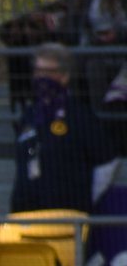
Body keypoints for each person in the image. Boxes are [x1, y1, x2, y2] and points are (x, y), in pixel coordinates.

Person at [10, 44, 117, 214]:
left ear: (64, 76)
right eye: (38, 71)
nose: (41, 77)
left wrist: (85, 198)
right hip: (25, 213)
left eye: (48, 72)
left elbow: (107, 160)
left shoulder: (80, 115)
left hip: (66, 216)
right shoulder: (29, 115)